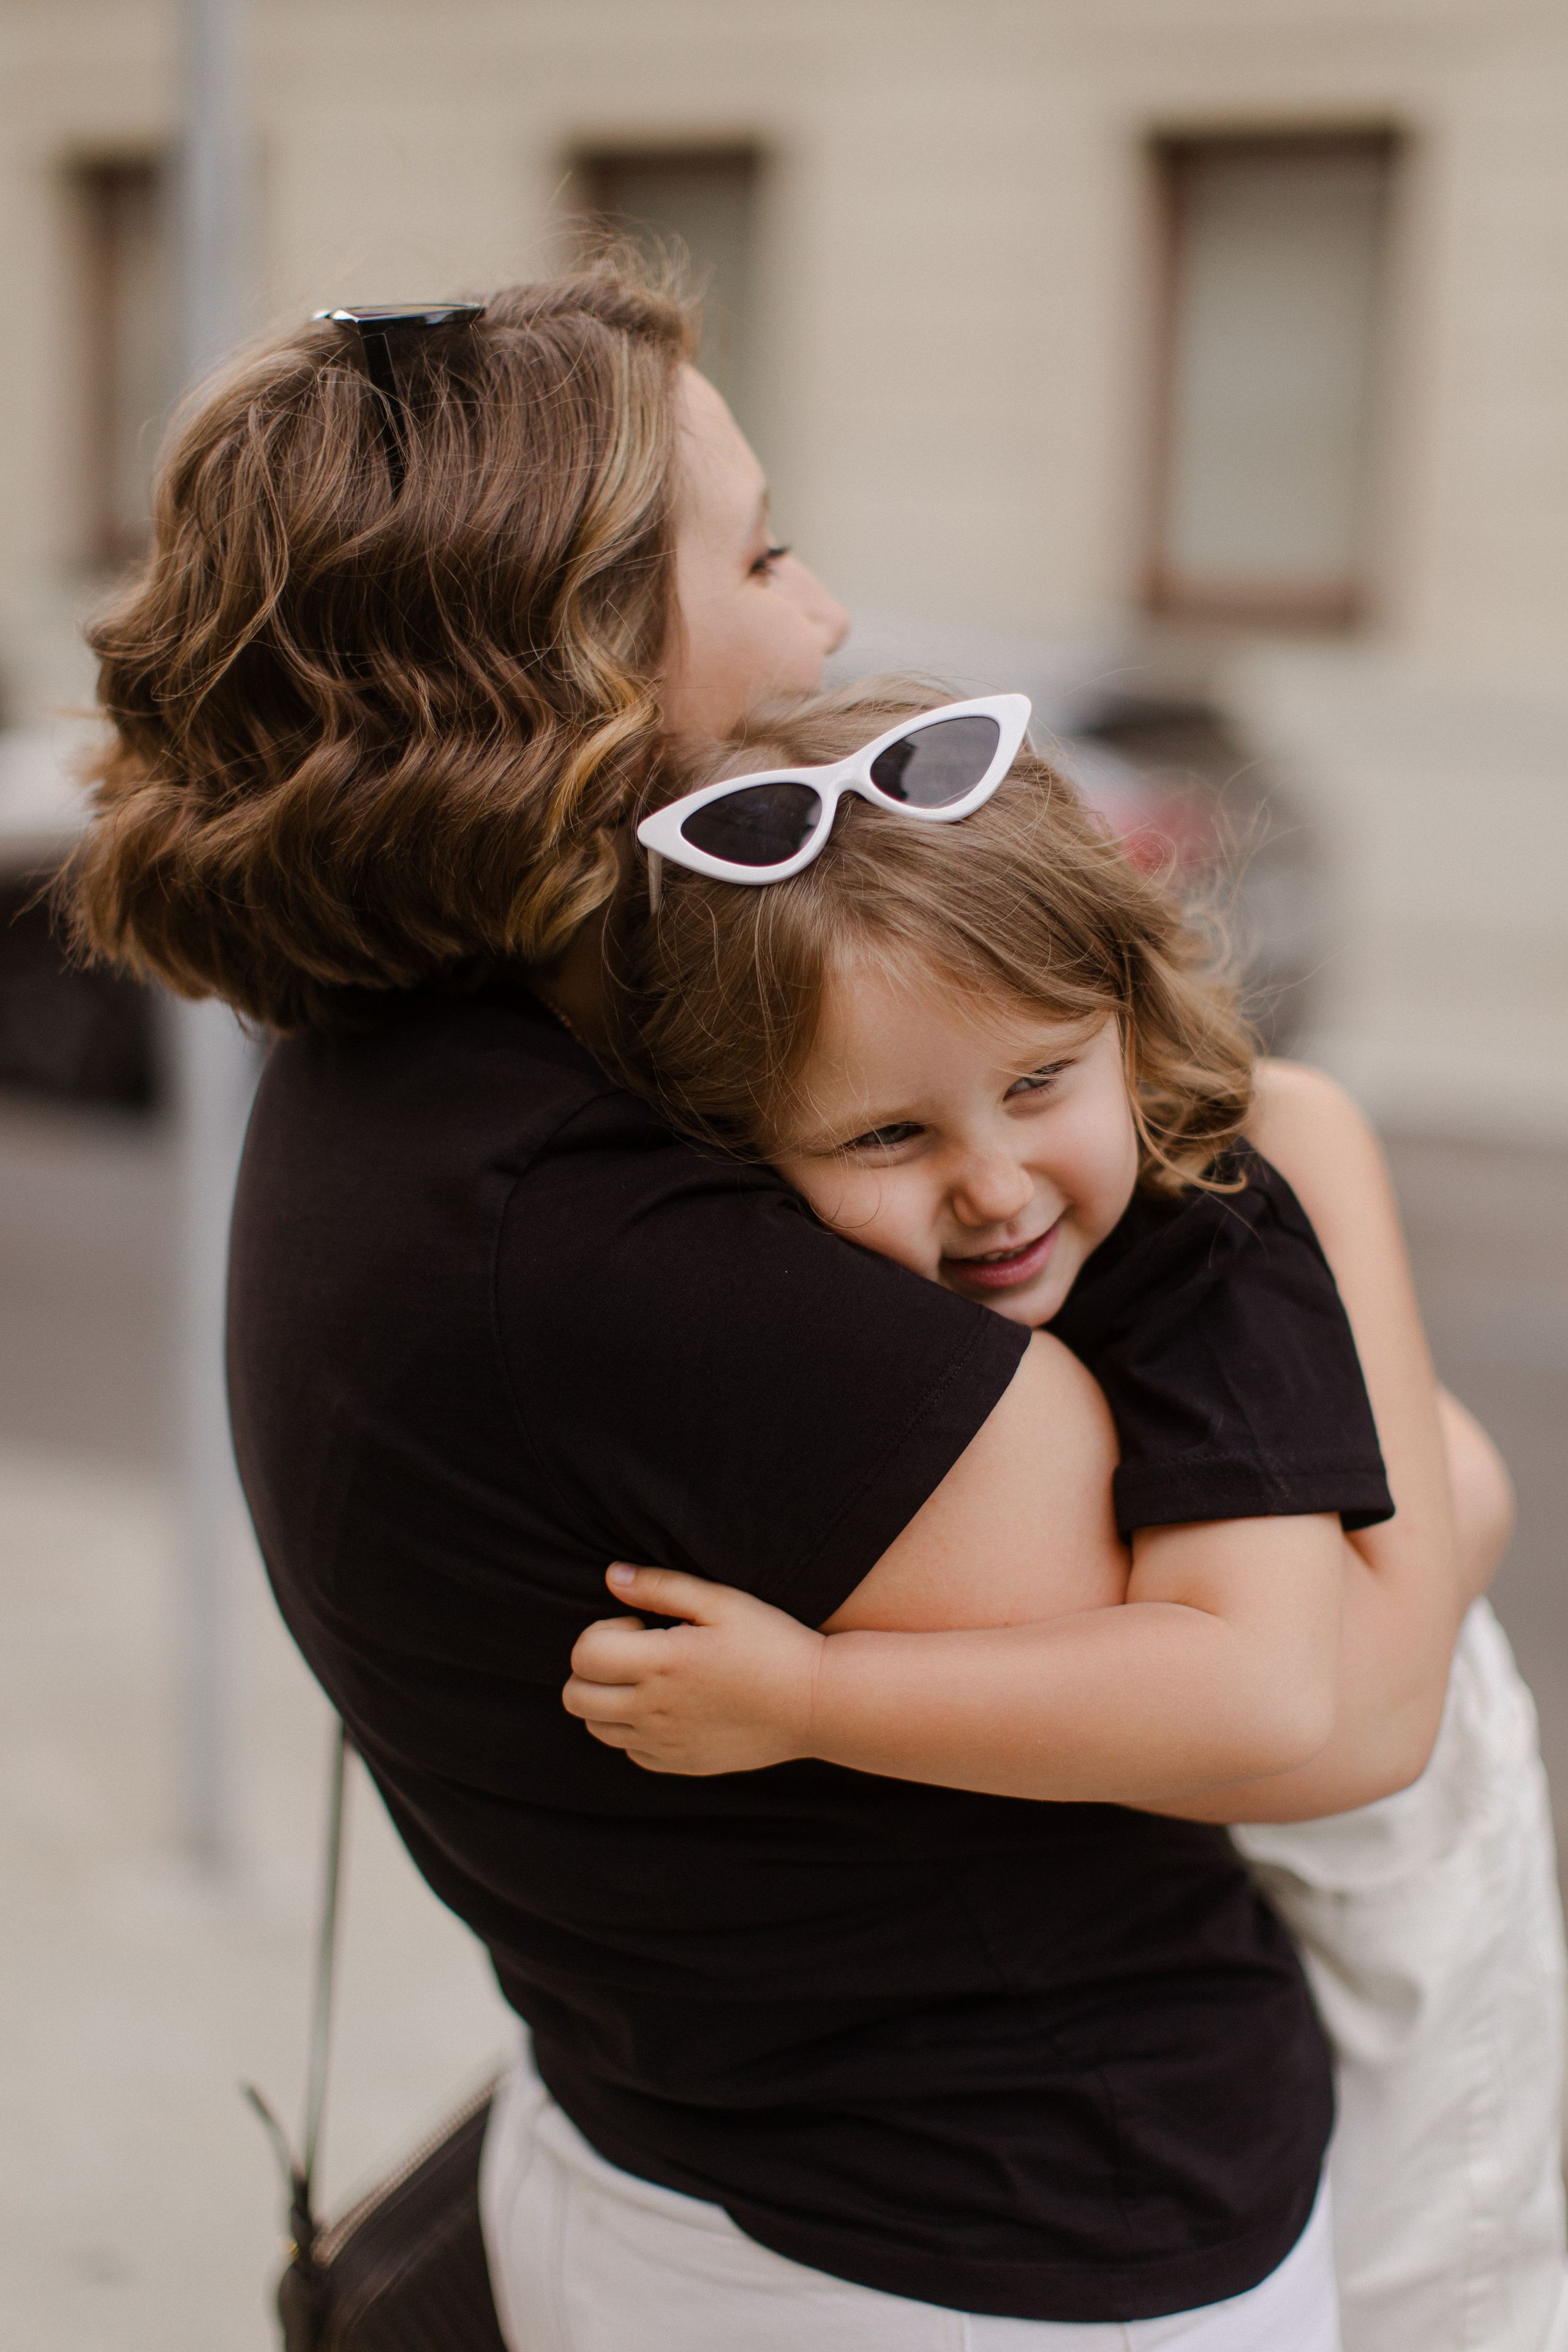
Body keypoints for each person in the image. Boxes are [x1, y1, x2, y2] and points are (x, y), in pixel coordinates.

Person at [56, 262, 1474, 2347]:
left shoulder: (444, 1061)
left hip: (717, 2155)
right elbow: (1327, 1694)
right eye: (766, 553)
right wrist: (1327, 1155)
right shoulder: (625, 1243)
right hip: (986, 2247)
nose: (824, 622)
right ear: (580, 662)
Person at [570, 680, 1568, 2351]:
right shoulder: (829, 1271)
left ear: (1124, 1013)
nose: (994, 1184)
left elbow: (1259, 1690)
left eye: (1044, 1082)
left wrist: (806, 1703)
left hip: (1402, 1883)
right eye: (889, 1133)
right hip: (1239, 1839)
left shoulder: (1208, 1223)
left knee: (1431, 2290)